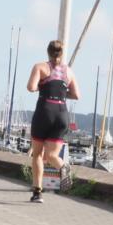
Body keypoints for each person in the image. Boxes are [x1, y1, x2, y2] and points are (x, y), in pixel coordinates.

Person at [26, 40, 80, 203]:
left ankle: (37, 193)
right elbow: (76, 95)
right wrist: (61, 93)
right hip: (61, 113)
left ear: (48, 52)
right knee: (51, 155)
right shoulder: (68, 71)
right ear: (61, 54)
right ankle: (63, 166)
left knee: (38, 154)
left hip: (45, 111)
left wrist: (43, 87)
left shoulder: (40, 67)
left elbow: (31, 87)